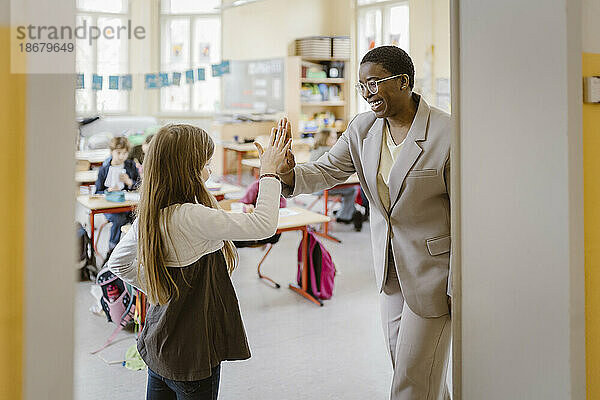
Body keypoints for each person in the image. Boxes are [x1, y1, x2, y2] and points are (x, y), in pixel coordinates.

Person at [276, 46, 451, 400]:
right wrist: (288, 174)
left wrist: (461, 284)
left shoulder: (447, 133)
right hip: (389, 271)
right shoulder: (363, 127)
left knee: (412, 379)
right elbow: (327, 170)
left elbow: (469, 216)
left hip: (434, 274)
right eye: (361, 86)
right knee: (411, 369)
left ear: (403, 82)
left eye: (374, 83)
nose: (367, 93)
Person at [105, 124, 290, 400]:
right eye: (206, 163)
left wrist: (158, 286)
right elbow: (264, 225)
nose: (211, 170)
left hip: (159, 346)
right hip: (193, 355)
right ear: (188, 168)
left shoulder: (151, 211)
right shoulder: (191, 216)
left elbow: (118, 263)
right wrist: (270, 173)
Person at [311, 128, 363, 231]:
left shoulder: (316, 149)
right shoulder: (328, 151)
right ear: (325, 139)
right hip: (323, 188)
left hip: (314, 187)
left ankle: (345, 212)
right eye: (333, 138)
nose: (336, 140)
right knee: (352, 189)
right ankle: (345, 215)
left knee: (349, 189)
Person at [95, 137, 140, 252]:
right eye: (118, 153)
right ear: (112, 152)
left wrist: (129, 182)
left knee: (138, 218)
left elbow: (139, 186)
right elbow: (97, 192)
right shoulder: (104, 169)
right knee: (119, 219)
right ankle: (113, 248)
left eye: (124, 153)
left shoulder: (130, 166)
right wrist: (108, 191)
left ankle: (135, 248)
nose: (121, 156)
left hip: (127, 206)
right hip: (110, 207)